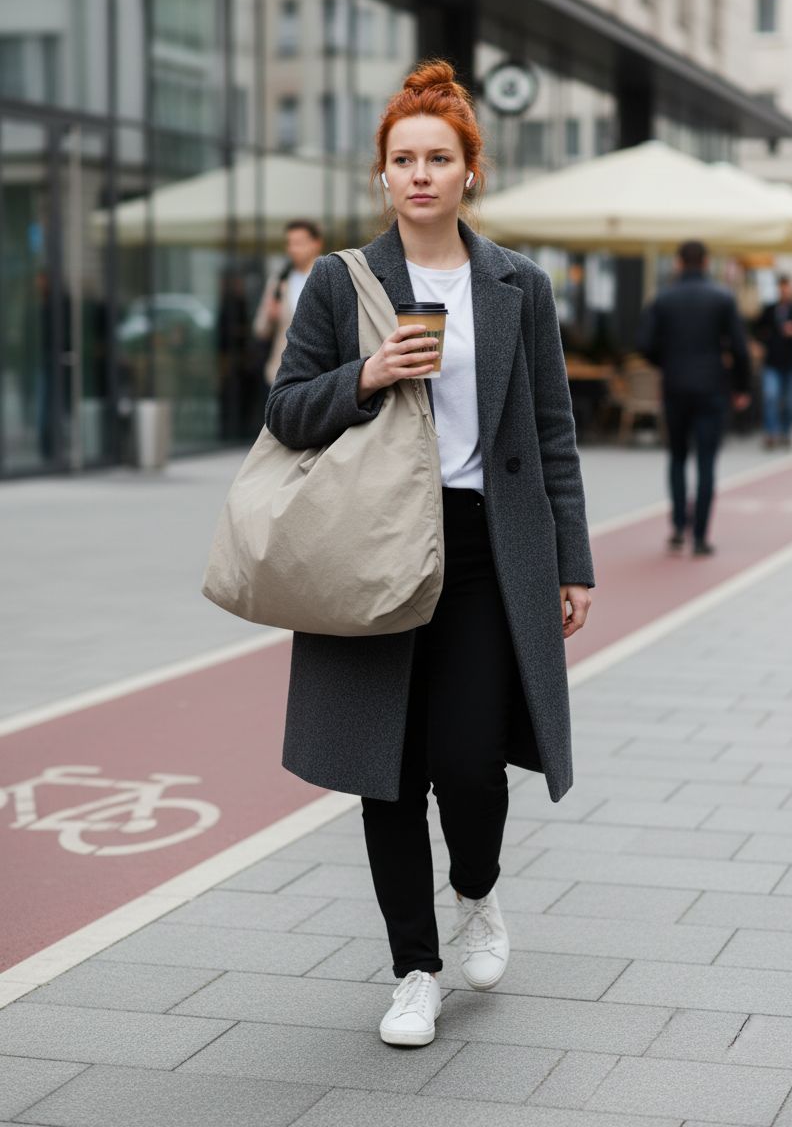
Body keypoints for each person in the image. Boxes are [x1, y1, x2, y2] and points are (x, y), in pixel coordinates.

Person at [265, 61, 594, 1048]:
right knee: (389, 773)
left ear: (467, 173)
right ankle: (414, 969)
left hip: (487, 548)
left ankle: (478, 891)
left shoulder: (517, 286)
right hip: (375, 548)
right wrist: (363, 375)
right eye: (401, 159)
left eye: (437, 159)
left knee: (470, 764)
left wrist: (572, 559)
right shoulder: (341, 282)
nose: (418, 175)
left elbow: (552, 430)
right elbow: (284, 411)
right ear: (381, 178)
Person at [637, 240, 751, 557]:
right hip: (712, 387)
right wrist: (741, 388)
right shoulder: (723, 298)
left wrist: (668, 363)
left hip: (675, 387)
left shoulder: (662, 298)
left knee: (676, 456)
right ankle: (700, 535)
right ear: (706, 262)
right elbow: (741, 349)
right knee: (706, 462)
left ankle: (677, 526)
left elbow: (643, 344)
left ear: (678, 263)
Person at [253, 219, 323, 396]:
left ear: (316, 244)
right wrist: (270, 315)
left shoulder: (327, 276)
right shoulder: (280, 280)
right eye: (289, 243)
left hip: (320, 373)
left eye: (299, 243)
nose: (292, 249)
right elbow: (260, 329)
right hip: (281, 371)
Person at [753, 273, 792, 448]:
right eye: (781, 287)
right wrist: (767, 338)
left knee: (790, 400)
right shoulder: (769, 309)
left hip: (790, 361)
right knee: (771, 396)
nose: (784, 290)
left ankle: (786, 432)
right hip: (772, 360)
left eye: (787, 287)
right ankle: (771, 432)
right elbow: (757, 329)